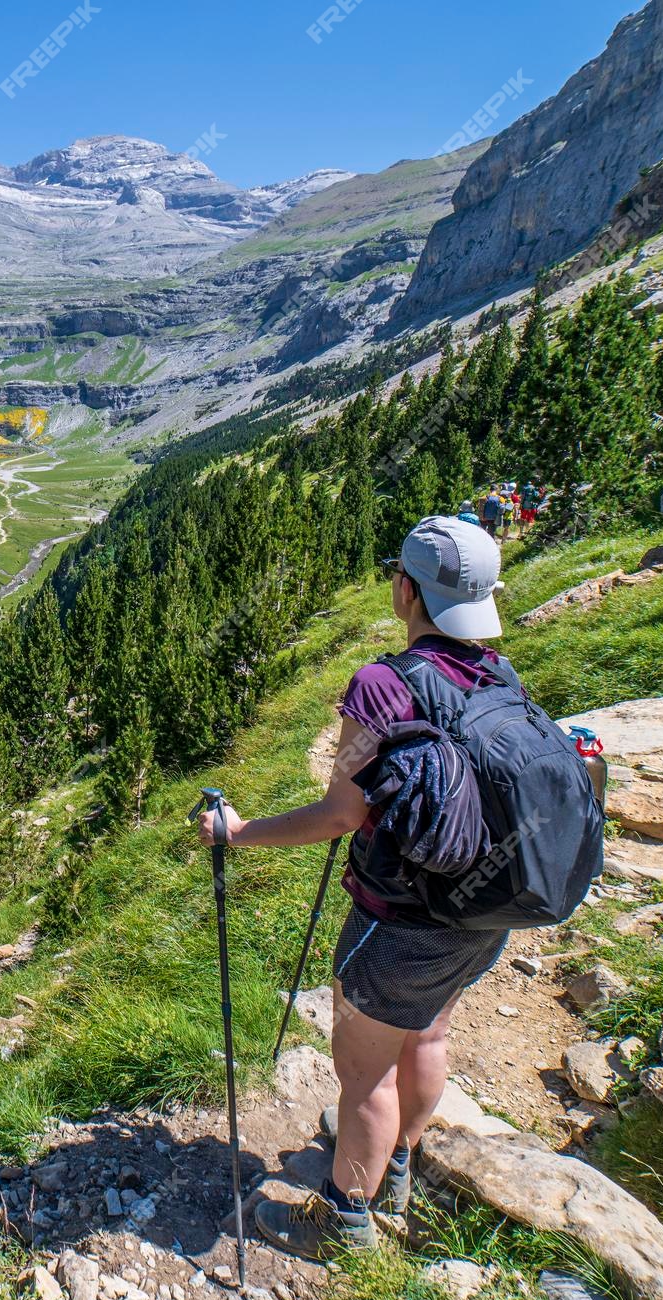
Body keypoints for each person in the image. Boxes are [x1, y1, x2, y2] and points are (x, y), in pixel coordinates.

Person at [198, 516, 515, 1258]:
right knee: (428, 1032)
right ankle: (395, 1167)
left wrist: (238, 833)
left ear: (406, 589)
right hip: (483, 910)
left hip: (398, 920)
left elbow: (341, 813)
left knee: (363, 1072)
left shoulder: (383, 683)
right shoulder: (499, 673)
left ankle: (343, 1223)